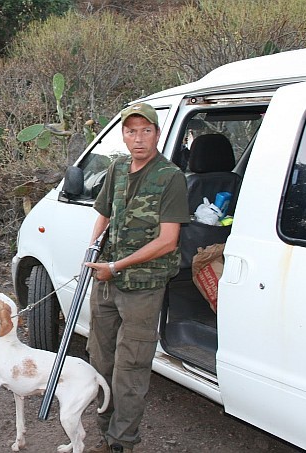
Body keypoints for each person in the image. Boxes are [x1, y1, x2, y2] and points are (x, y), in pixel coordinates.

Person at [84, 103, 189, 453]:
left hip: (143, 288)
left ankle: (121, 442)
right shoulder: (116, 168)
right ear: (123, 135)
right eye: (131, 131)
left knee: (131, 367)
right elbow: (103, 213)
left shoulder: (170, 176)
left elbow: (168, 240)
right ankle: (104, 431)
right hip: (105, 283)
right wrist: (93, 253)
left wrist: (117, 266)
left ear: (158, 134)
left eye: (146, 131)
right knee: (100, 360)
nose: (138, 138)